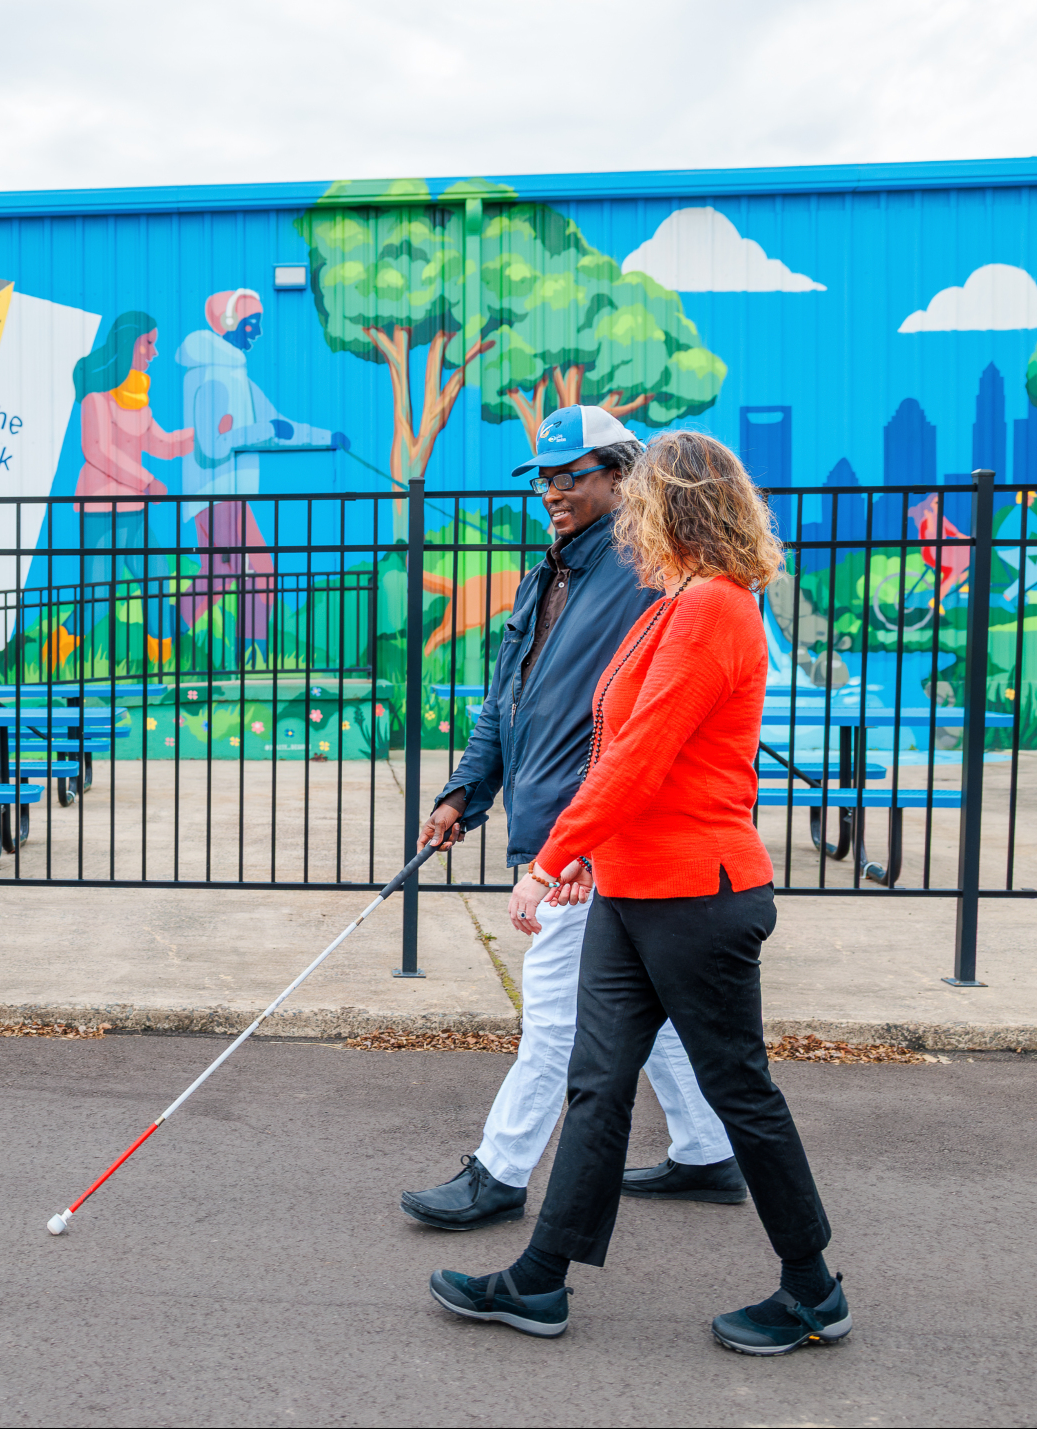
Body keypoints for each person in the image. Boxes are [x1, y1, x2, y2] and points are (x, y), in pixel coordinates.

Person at [431, 429, 848, 1357]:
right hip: (632, 888)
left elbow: (644, 754)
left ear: (674, 506)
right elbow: (620, 749)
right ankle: (540, 1279)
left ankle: (813, 1288)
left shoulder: (713, 609)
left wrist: (553, 855)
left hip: (698, 896)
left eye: (642, 500)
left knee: (741, 1093)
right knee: (597, 1084)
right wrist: (594, 849)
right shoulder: (674, 604)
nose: (627, 522)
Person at [402, 406, 743, 1236]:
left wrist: (584, 842)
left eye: (571, 475)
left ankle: (499, 1172)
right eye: (544, 478)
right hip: (570, 832)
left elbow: (641, 729)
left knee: (554, 1017)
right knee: (647, 1004)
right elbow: (504, 701)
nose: (553, 491)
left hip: (588, 838)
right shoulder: (545, 577)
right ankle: (708, 1150)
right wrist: (463, 793)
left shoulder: (644, 576)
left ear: (622, 477)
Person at [174, 290, 346, 665]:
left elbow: (278, 425)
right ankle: (228, 650)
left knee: (236, 573)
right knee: (243, 573)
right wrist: (263, 430)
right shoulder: (212, 378)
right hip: (216, 493)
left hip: (227, 494)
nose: (260, 332)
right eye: (253, 323)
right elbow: (212, 445)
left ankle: (192, 636)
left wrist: (326, 438)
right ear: (230, 323)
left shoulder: (237, 377)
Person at [48, 312, 194, 669]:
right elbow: (96, 450)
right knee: (98, 597)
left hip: (135, 511)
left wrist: (198, 434)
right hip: (101, 512)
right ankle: (52, 659)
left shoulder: (136, 398)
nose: (154, 352)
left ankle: (161, 668)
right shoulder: (96, 398)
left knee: (157, 580)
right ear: (128, 344)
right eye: (148, 343)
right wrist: (146, 481)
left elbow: (160, 443)